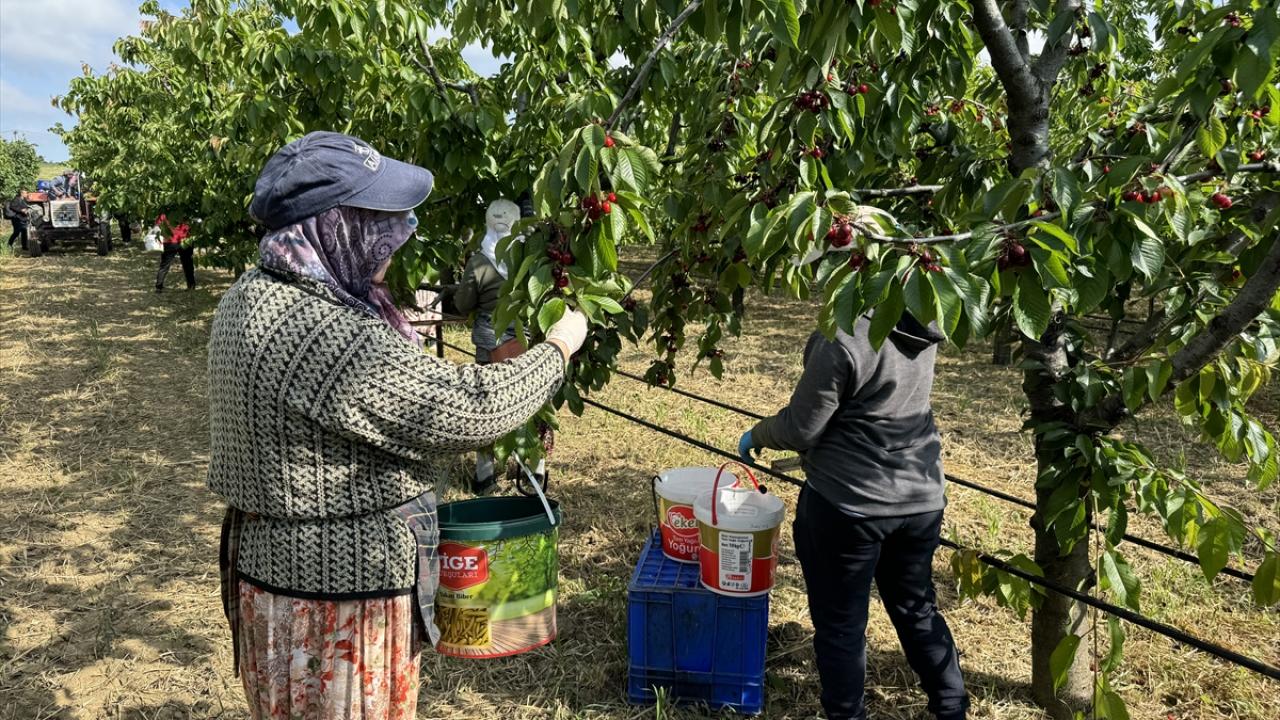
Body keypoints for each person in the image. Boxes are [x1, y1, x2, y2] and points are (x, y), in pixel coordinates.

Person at [207, 131, 588, 720]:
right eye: (378, 223)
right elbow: (470, 409)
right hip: (334, 609)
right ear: (334, 227)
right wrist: (559, 347)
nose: (396, 238)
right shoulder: (317, 330)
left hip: (284, 587)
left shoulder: (250, 295)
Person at [738, 312, 968, 720]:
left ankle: (846, 715)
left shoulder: (843, 333)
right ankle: (952, 706)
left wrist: (758, 434)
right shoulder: (924, 315)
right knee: (916, 608)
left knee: (841, 624)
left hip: (849, 504)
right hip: (921, 497)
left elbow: (802, 427)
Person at [453, 197, 524, 493]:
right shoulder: (526, 256)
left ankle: (485, 476)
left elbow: (463, 303)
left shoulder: (480, 261)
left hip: (490, 341)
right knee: (525, 399)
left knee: (488, 403)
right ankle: (531, 471)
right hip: (523, 338)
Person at [154, 213, 195, 291]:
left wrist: (164, 236)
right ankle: (191, 285)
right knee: (188, 264)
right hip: (185, 241)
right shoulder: (187, 211)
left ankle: (159, 287)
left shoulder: (164, 213)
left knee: (164, 265)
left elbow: (156, 226)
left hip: (170, 242)